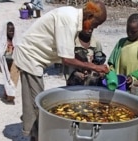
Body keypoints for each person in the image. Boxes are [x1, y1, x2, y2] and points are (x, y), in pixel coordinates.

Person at [12, 1, 108, 141]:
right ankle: (34, 136)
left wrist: (84, 64)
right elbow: (66, 59)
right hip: (30, 57)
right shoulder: (68, 21)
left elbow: (68, 49)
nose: (95, 27)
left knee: (38, 102)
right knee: (37, 103)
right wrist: (94, 67)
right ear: (90, 16)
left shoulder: (74, 19)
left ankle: (38, 134)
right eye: (95, 24)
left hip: (36, 60)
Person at [108, 13, 138, 89]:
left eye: (133, 31)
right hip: (119, 83)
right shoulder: (121, 43)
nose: (130, 33)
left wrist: (133, 77)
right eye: (128, 30)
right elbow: (111, 63)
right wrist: (112, 74)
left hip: (133, 85)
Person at [0, 21, 20, 104]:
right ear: (6, 31)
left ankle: (10, 96)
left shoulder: (15, 40)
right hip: (6, 62)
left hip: (14, 62)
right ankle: (7, 94)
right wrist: (2, 55)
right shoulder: (3, 40)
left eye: (12, 30)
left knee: (13, 79)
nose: (11, 32)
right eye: (9, 31)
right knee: (7, 78)